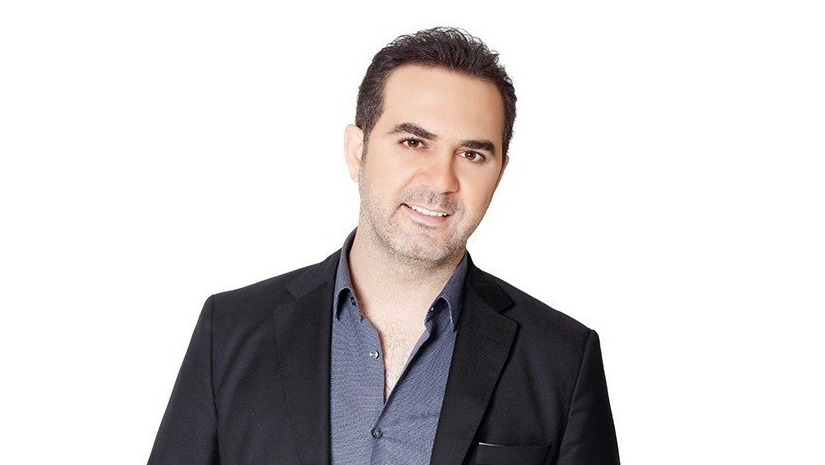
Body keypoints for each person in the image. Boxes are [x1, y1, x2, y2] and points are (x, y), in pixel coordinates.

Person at [148, 26, 619, 465]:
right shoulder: (230, 330)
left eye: (472, 154)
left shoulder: (562, 358)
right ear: (359, 152)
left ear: (499, 173)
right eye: (414, 142)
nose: (442, 180)